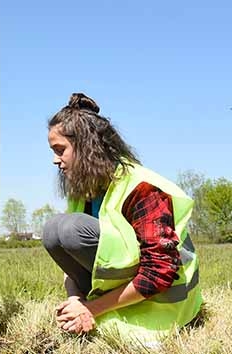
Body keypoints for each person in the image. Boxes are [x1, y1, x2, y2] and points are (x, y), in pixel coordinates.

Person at [41, 93, 202, 343]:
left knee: (71, 228)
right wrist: (75, 299)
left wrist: (91, 309)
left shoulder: (143, 188)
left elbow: (159, 273)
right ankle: (99, 305)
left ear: (86, 147)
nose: (55, 160)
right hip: (122, 291)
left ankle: (104, 306)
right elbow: (70, 264)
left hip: (164, 304)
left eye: (60, 150)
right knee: (53, 230)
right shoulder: (83, 191)